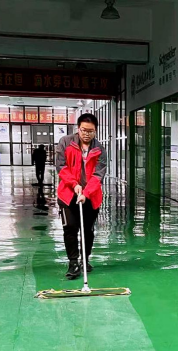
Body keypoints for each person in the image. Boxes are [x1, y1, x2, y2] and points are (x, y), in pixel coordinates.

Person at [56, 114, 107, 279]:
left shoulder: (100, 149)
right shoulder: (65, 142)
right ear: (78, 128)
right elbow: (61, 166)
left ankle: (85, 260)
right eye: (84, 130)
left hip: (91, 196)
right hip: (68, 194)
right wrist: (74, 184)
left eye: (90, 131)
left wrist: (86, 193)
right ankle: (73, 263)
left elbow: (98, 175)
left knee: (87, 230)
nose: (86, 134)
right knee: (70, 228)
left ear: (95, 131)